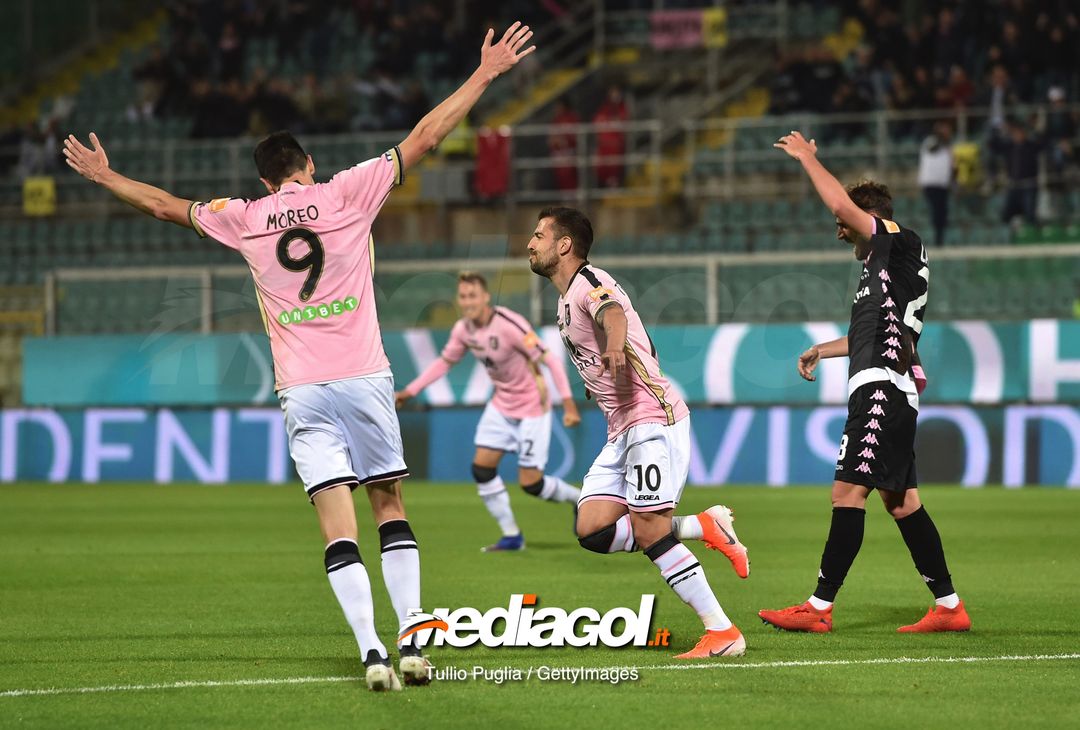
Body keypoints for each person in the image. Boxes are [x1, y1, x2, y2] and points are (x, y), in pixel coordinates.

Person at [63, 22, 537, 691]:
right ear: (307, 165)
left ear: (263, 178)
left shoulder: (244, 216)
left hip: (303, 386)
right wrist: (485, 73)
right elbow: (426, 136)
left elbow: (168, 208)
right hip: (365, 375)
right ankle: (412, 643)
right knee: (389, 504)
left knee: (334, 522)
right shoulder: (348, 189)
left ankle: (371, 652)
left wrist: (106, 173)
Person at [759, 131, 970, 634]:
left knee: (846, 492)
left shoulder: (897, 238)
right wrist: (823, 350)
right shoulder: (887, 271)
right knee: (902, 502)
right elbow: (874, 333)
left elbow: (838, 200)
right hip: (890, 384)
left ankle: (818, 607)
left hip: (882, 389)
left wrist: (809, 157)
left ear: (867, 219)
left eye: (843, 223)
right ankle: (948, 607)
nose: (839, 231)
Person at [527, 206, 750, 660]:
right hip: (621, 428)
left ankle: (722, 631)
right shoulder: (565, 297)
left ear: (564, 244)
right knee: (591, 529)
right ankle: (699, 525)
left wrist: (613, 345)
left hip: (651, 420)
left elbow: (613, 315)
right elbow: (642, 340)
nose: (530, 243)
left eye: (538, 235)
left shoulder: (590, 282)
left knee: (650, 531)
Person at [395, 272, 582, 551]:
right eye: (462, 296)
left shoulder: (509, 324)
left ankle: (578, 499)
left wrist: (568, 405)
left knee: (531, 484)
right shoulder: (463, 330)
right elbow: (444, 363)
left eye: (472, 295)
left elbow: (552, 361)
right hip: (501, 406)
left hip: (532, 408)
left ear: (485, 298)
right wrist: (410, 391)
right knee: (482, 469)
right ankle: (512, 536)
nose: (467, 301)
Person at [917, 120, 954, 246]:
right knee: (937, 211)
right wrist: (939, 134)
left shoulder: (948, 146)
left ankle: (940, 239)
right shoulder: (931, 141)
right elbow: (933, 148)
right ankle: (937, 240)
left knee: (942, 212)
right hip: (931, 183)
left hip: (943, 185)